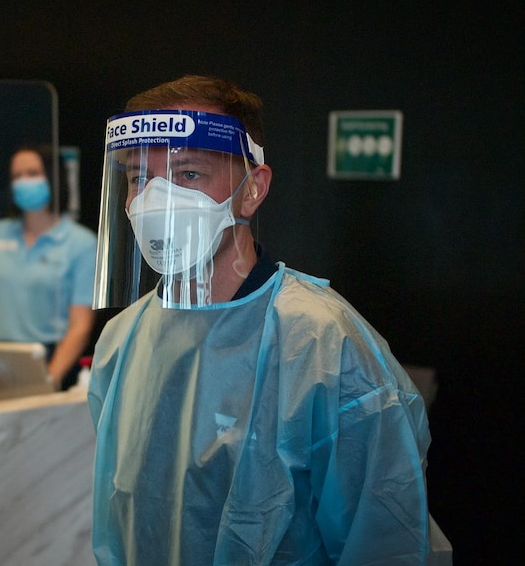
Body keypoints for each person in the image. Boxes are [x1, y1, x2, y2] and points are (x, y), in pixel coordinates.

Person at [88, 76, 451, 564]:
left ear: (252, 189)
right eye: (139, 178)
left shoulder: (323, 345)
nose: (156, 200)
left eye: (189, 174)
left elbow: (386, 540)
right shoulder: (123, 339)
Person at [0, 143, 97, 391]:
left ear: (53, 177)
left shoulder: (80, 243)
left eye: (32, 174)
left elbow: (81, 326)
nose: (23, 182)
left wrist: (49, 379)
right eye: (17, 176)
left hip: (49, 360)